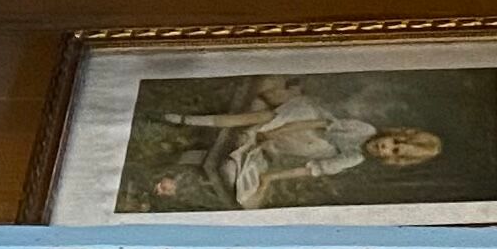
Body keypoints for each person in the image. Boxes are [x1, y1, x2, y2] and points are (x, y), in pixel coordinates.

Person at [157, 79, 441, 208]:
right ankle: (189, 120)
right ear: (393, 134)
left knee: (245, 177)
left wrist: (269, 179)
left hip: (304, 145)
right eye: (393, 143)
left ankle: (245, 143)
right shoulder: (364, 129)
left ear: (391, 159)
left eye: (393, 152)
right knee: (264, 118)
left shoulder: (354, 159)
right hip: (304, 121)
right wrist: (276, 131)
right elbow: (318, 124)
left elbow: (312, 169)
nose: (385, 148)